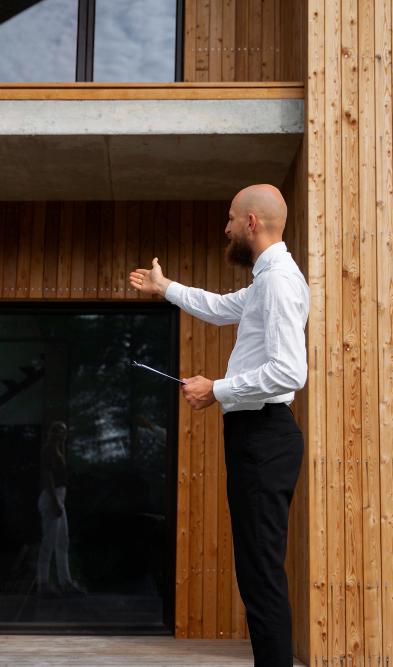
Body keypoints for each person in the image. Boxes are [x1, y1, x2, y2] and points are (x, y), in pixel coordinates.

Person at [129, 184, 309, 667]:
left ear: (251, 222)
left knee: (261, 577)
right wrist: (165, 287)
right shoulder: (267, 279)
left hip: (263, 437)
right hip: (258, 437)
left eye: (231, 218)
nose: (225, 227)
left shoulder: (278, 281)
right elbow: (219, 307)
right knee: (257, 574)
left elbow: (290, 372)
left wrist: (218, 389)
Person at [36, 421, 86, 598]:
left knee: (62, 541)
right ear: (54, 433)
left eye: (65, 431)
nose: (64, 435)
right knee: (49, 541)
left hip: (59, 499)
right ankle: (42, 583)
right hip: (52, 498)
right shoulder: (49, 451)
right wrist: (56, 502)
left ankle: (65, 583)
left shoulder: (57, 451)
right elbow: (47, 476)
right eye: (61, 431)